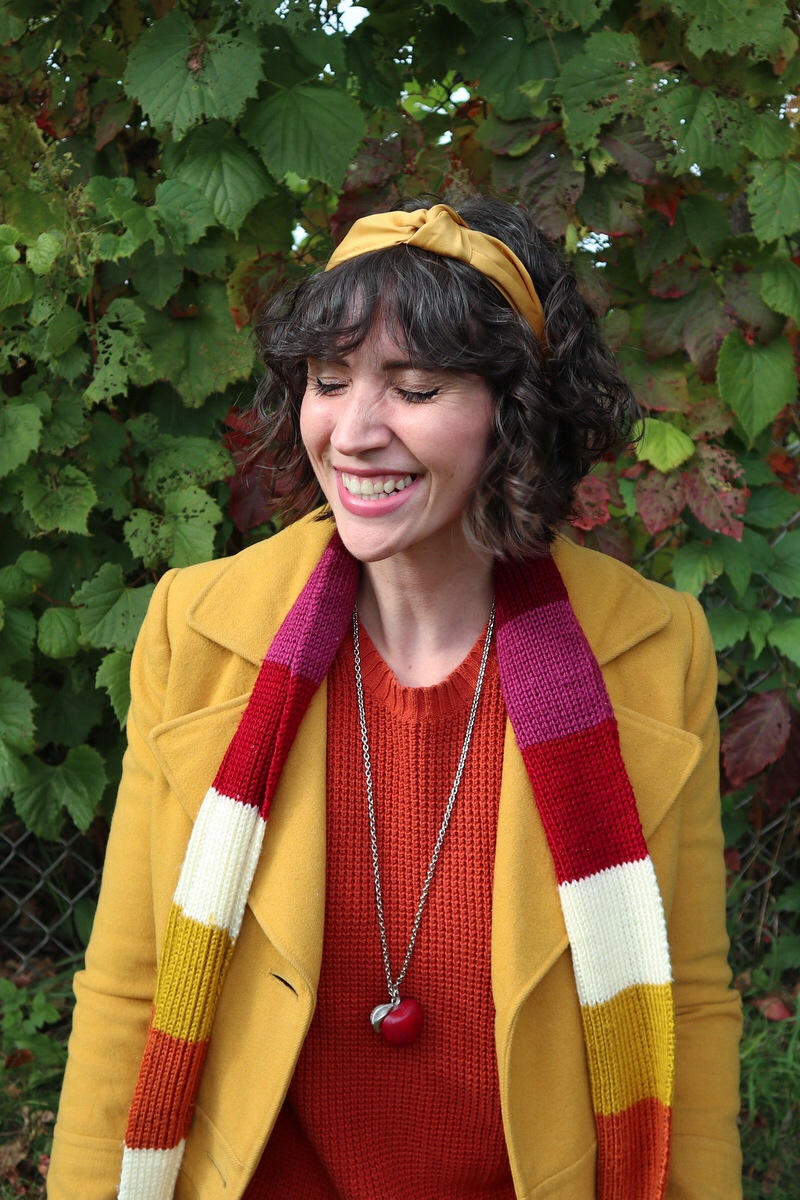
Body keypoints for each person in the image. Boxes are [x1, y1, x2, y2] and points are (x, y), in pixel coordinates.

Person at [48, 196, 742, 1200]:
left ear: (514, 413)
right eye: (329, 382)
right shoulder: (196, 627)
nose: (354, 433)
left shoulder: (650, 646)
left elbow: (691, 1001)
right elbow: (127, 987)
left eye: (414, 389)